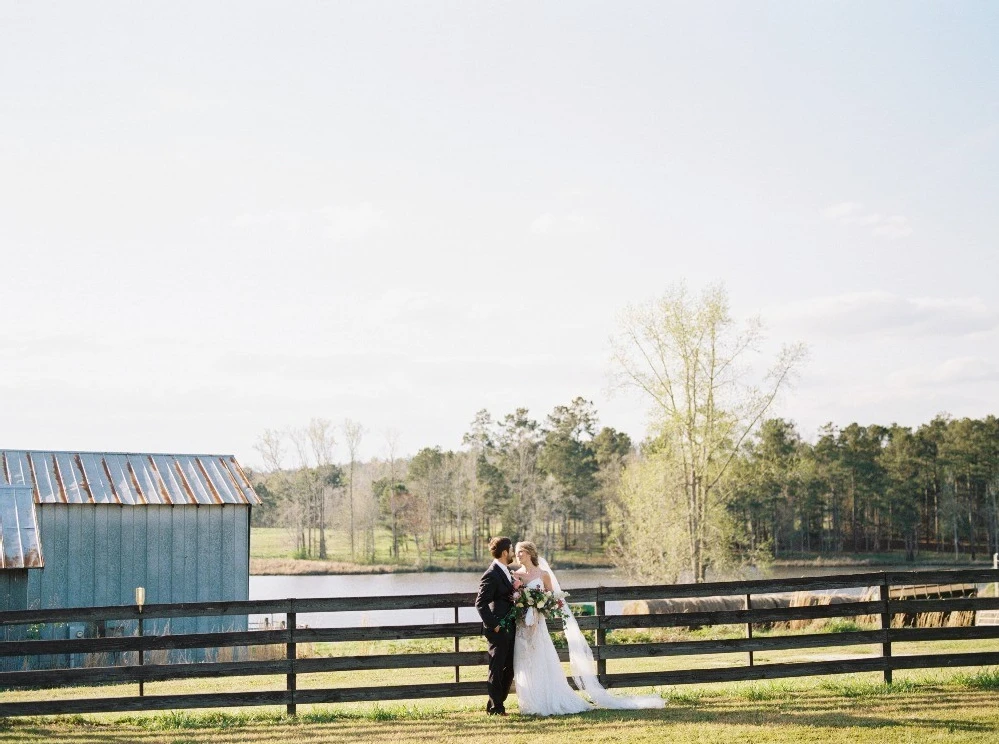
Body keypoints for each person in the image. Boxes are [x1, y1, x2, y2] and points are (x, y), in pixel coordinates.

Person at [511, 540, 665, 716]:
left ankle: (547, 700)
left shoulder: (543, 574)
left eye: (520, 552)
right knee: (524, 660)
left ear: (529, 553)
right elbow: (513, 599)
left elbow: (553, 599)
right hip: (523, 626)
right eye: (516, 552)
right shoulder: (516, 577)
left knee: (541, 659)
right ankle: (530, 703)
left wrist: (542, 605)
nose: (517, 555)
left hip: (538, 625)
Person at [474, 536, 520, 715]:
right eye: (511, 550)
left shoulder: (506, 571)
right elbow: (480, 603)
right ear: (504, 552)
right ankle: (496, 708)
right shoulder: (491, 573)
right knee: (496, 668)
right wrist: (494, 625)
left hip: (510, 627)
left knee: (511, 667)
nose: (513, 554)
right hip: (498, 629)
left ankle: (495, 703)